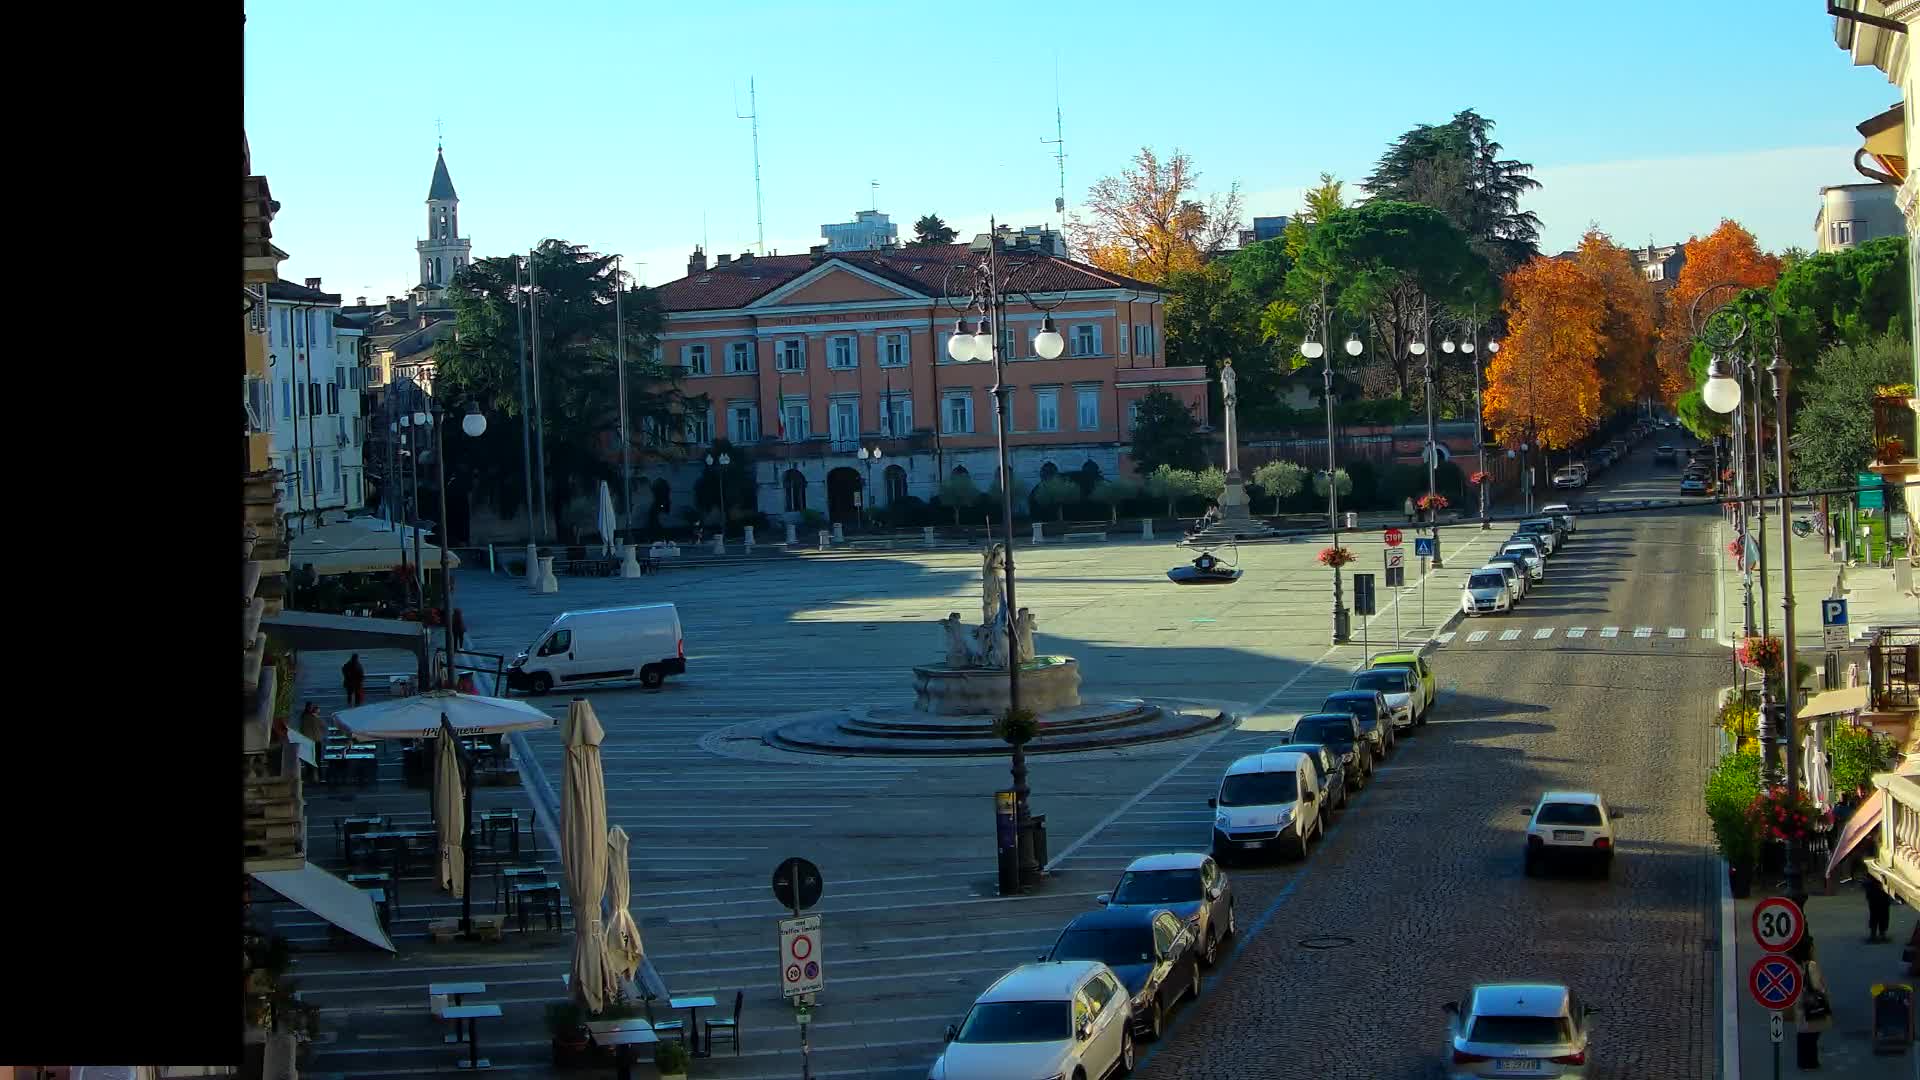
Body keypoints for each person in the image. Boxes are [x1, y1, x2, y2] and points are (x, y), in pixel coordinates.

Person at [1791, 937, 1831, 1069]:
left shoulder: (1794, 965)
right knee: (1812, 1033)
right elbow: (1816, 986)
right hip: (1811, 1004)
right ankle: (1811, 1061)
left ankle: (1803, 1061)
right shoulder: (1811, 965)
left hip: (1799, 1003)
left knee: (1803, 1033)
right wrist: (1824, 993)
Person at [1866, 874, 1894, 943]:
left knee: (1878, 914)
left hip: (1878, 893)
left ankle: (1877, 934)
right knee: (1879, 914)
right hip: (1877, 892)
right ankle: (1879, 934)